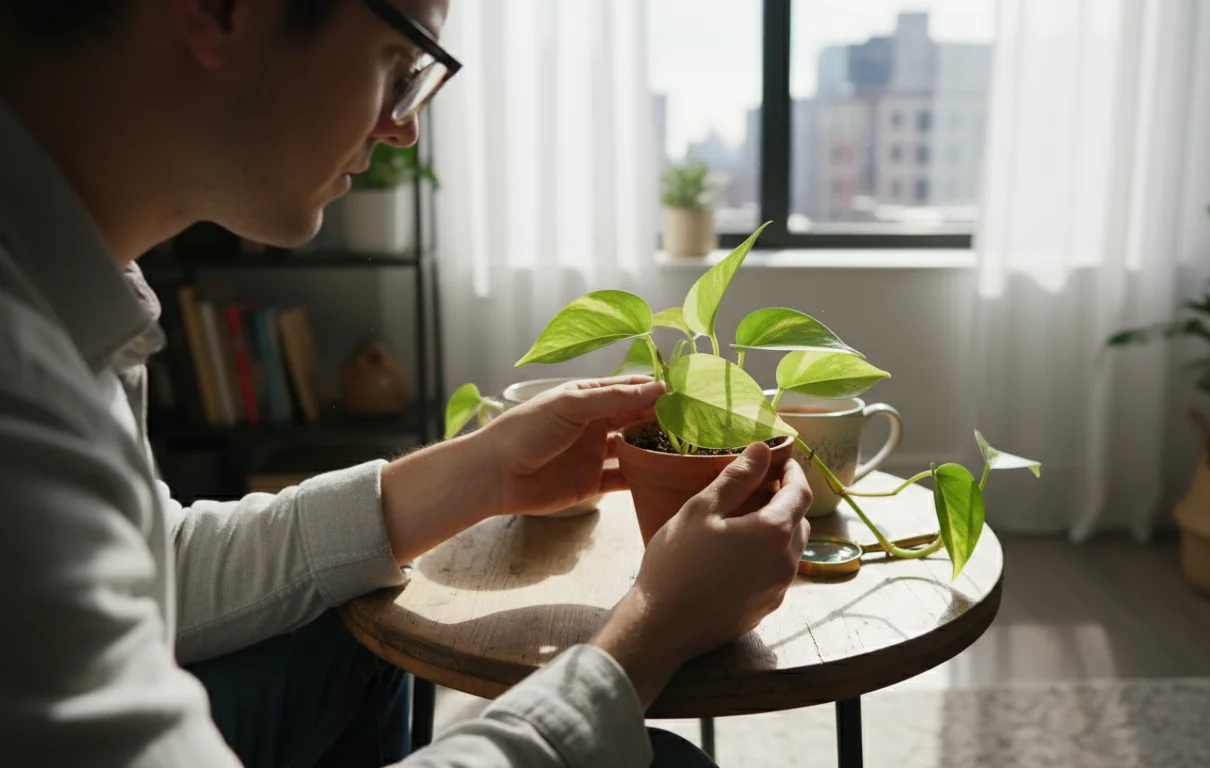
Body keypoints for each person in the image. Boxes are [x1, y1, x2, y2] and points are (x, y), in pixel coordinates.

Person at [0, 1, 814, 766]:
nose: (404, 129)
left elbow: (151, 569)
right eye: (398, 60)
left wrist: (468, 476)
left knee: (344, 634)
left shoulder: (66, 292)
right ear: (223, 9)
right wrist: (651, 632)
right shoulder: (21, 392)